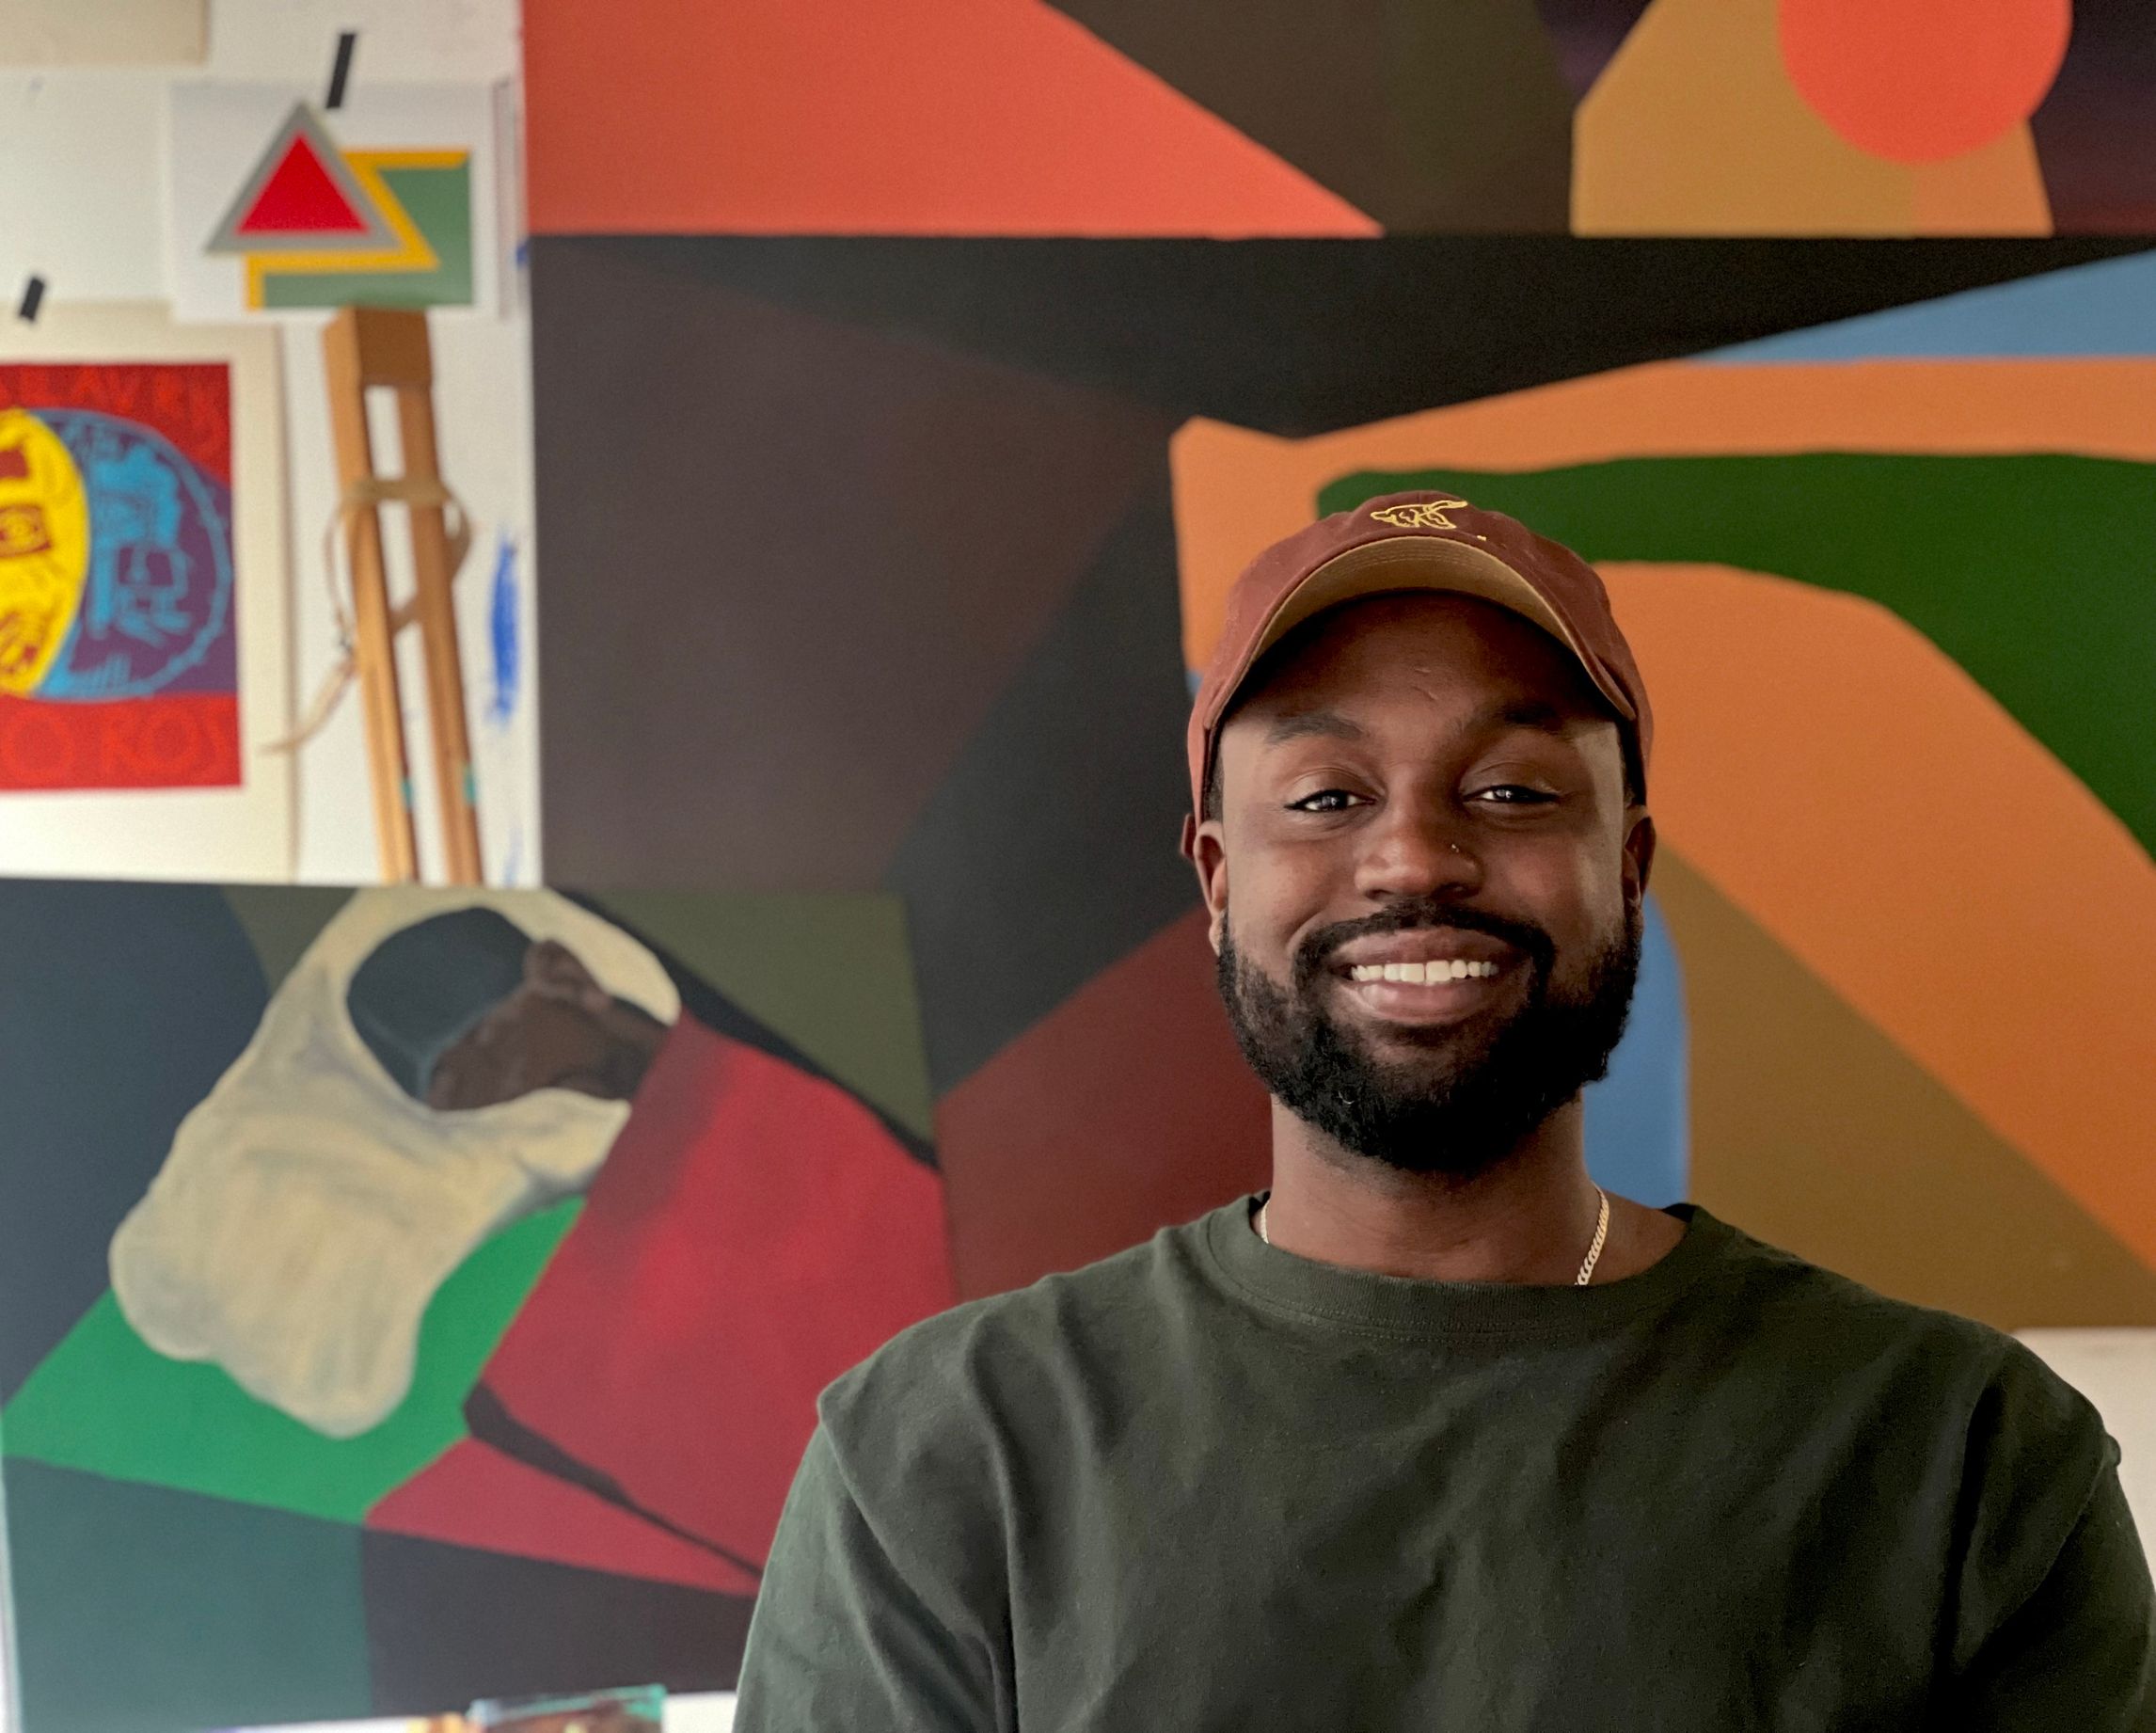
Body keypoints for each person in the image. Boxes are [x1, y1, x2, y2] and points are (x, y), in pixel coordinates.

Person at [732, 492, 2155, 1728]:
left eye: (1514, 788)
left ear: (1628, 869)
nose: (1415, 856)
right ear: (1219, 879)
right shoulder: (943, 1457)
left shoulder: (1959, 1457)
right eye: (1327, 795)